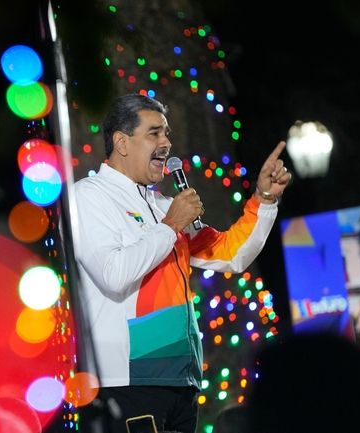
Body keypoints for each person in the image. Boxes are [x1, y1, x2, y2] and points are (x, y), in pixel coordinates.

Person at [72, 93, 292, 433]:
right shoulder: (88, 195)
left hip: (181, 380)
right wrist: (170, 226)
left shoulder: (161, 205)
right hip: (128, 380)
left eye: (167, 133)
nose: (167, 143)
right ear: (122, 142)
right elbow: (113, 274)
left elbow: (230, 254)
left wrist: (263, 200)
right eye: (154, 133)